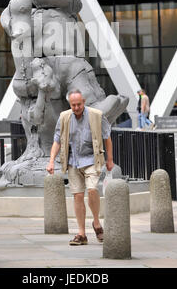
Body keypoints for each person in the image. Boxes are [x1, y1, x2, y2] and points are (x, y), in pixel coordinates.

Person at [46, 89, 114, 246]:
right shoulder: (64, 117)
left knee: (92, 190)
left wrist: (110, 160)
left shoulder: (97, 115)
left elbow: (107, 138)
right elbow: (57, 140)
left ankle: (96, 222)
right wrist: (51, 161)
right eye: (73, 105)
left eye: (78, 104)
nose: (76, 107)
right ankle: (81, 234)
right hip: (73, 161)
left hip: (92, 159)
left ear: (84, 102)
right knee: (77, 196)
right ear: (70, 104)